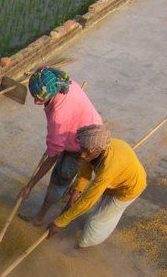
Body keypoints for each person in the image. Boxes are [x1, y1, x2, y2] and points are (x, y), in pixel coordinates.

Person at [19, 66, 104, 226]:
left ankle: (41, 216)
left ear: (52, 92)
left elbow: (52, 158)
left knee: (60, 176)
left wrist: (30, 185)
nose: (37, 102)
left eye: (40, 99)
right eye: (35, 97)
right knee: (61, 160)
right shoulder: (63, 82)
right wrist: (55, 144)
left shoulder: (58, 117)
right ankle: (65, 192)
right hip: (83, 123)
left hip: (84, 143)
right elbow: (44, 70)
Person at [46, 124, 146, 247]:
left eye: (86, 152)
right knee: (90, 207)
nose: (82, 155)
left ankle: (82, 246)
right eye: (82, 149)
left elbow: (88, 200)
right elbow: (84, 174)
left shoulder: (108, 169)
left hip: (129, 189)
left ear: (99, 150)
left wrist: (60, 222)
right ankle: (81, 220)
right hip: (113, 183)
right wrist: (76, 192)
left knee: (96, 222)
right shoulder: (93, 149)